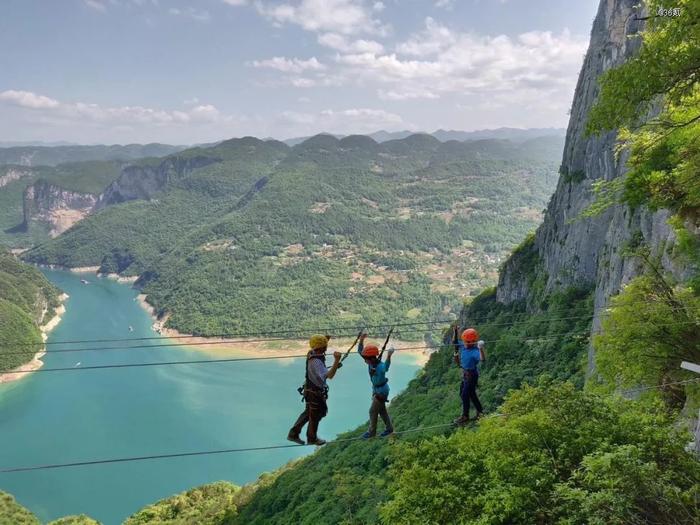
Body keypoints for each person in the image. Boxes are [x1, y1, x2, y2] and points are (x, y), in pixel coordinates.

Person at [287, 334, 342, 446]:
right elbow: (329, 375)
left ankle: (293, 434)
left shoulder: (311, 354)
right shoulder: (316, 362)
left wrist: (325, 340)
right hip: (315, 393)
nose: (326, 348)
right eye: (325, 346)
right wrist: (336, 361)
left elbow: (318, 348)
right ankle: (312, 438)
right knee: (315, 415)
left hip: (309, 391)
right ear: (322, 348)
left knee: (309, 413)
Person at [358, 333, 394, 438]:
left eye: (366, 359)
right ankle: (389, 428)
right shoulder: (370, 362)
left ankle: (371, 432)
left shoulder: (379, 366)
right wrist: (361, 340)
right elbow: (361, 351)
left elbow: (386, 367)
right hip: (378, 389)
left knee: (373, 411)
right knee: (382, 411)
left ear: (372, 358)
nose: (364, 360)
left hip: (381, 391)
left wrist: (389, 355)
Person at [452, 326, 484, 425]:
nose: (465, 343)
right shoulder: (464, 345)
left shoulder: (475, 351)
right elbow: (455, 342)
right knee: (467, 394)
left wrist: (481, 349)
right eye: (464, 341)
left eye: (467, 342)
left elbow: (482, 359)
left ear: (471, 342)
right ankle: (480, 412)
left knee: (465, 394)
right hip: (466, 374)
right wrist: (455, 331)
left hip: (471, 375)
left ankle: (465, 416)